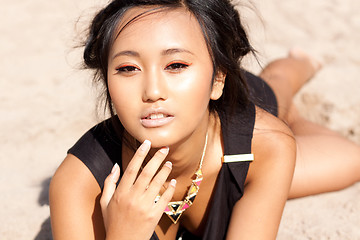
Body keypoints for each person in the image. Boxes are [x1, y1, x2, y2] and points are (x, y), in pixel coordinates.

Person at [49, 0, 360, 239]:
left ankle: (295, 67)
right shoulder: (78, 185)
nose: (153, 91)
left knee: (347, 155)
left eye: (176, 65)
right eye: (128, 69)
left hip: (241, 106)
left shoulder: (265, 146)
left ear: (218, 78)